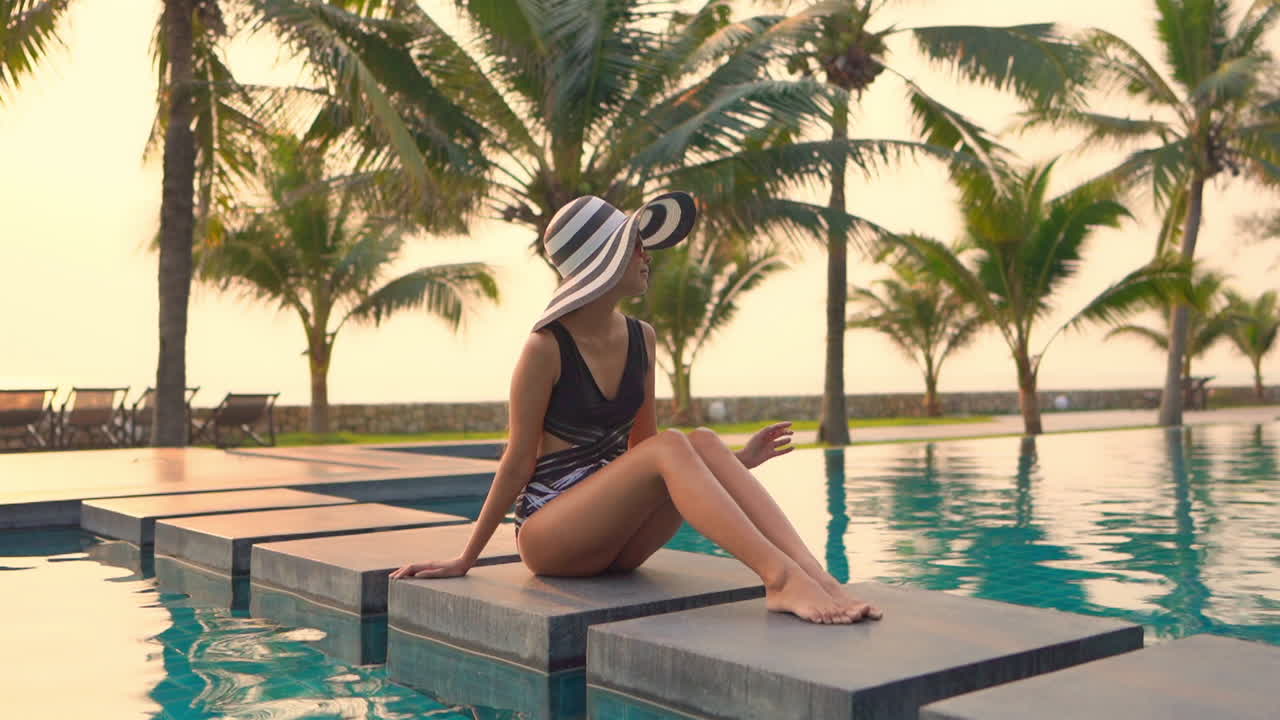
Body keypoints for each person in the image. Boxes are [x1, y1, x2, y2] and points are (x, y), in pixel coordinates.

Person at [391, 192, 881, 624]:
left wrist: (736, 462)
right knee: (678, 444)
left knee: (700, 440)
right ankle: (780, 579)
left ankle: (817, 576)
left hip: (619, 543)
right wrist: (466, 558)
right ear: (602, 261)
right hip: (551, 537)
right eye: (634, 246)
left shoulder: (641, 338)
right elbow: (518, 460)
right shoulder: (545, 348)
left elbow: (644, 448)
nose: (647, 255)